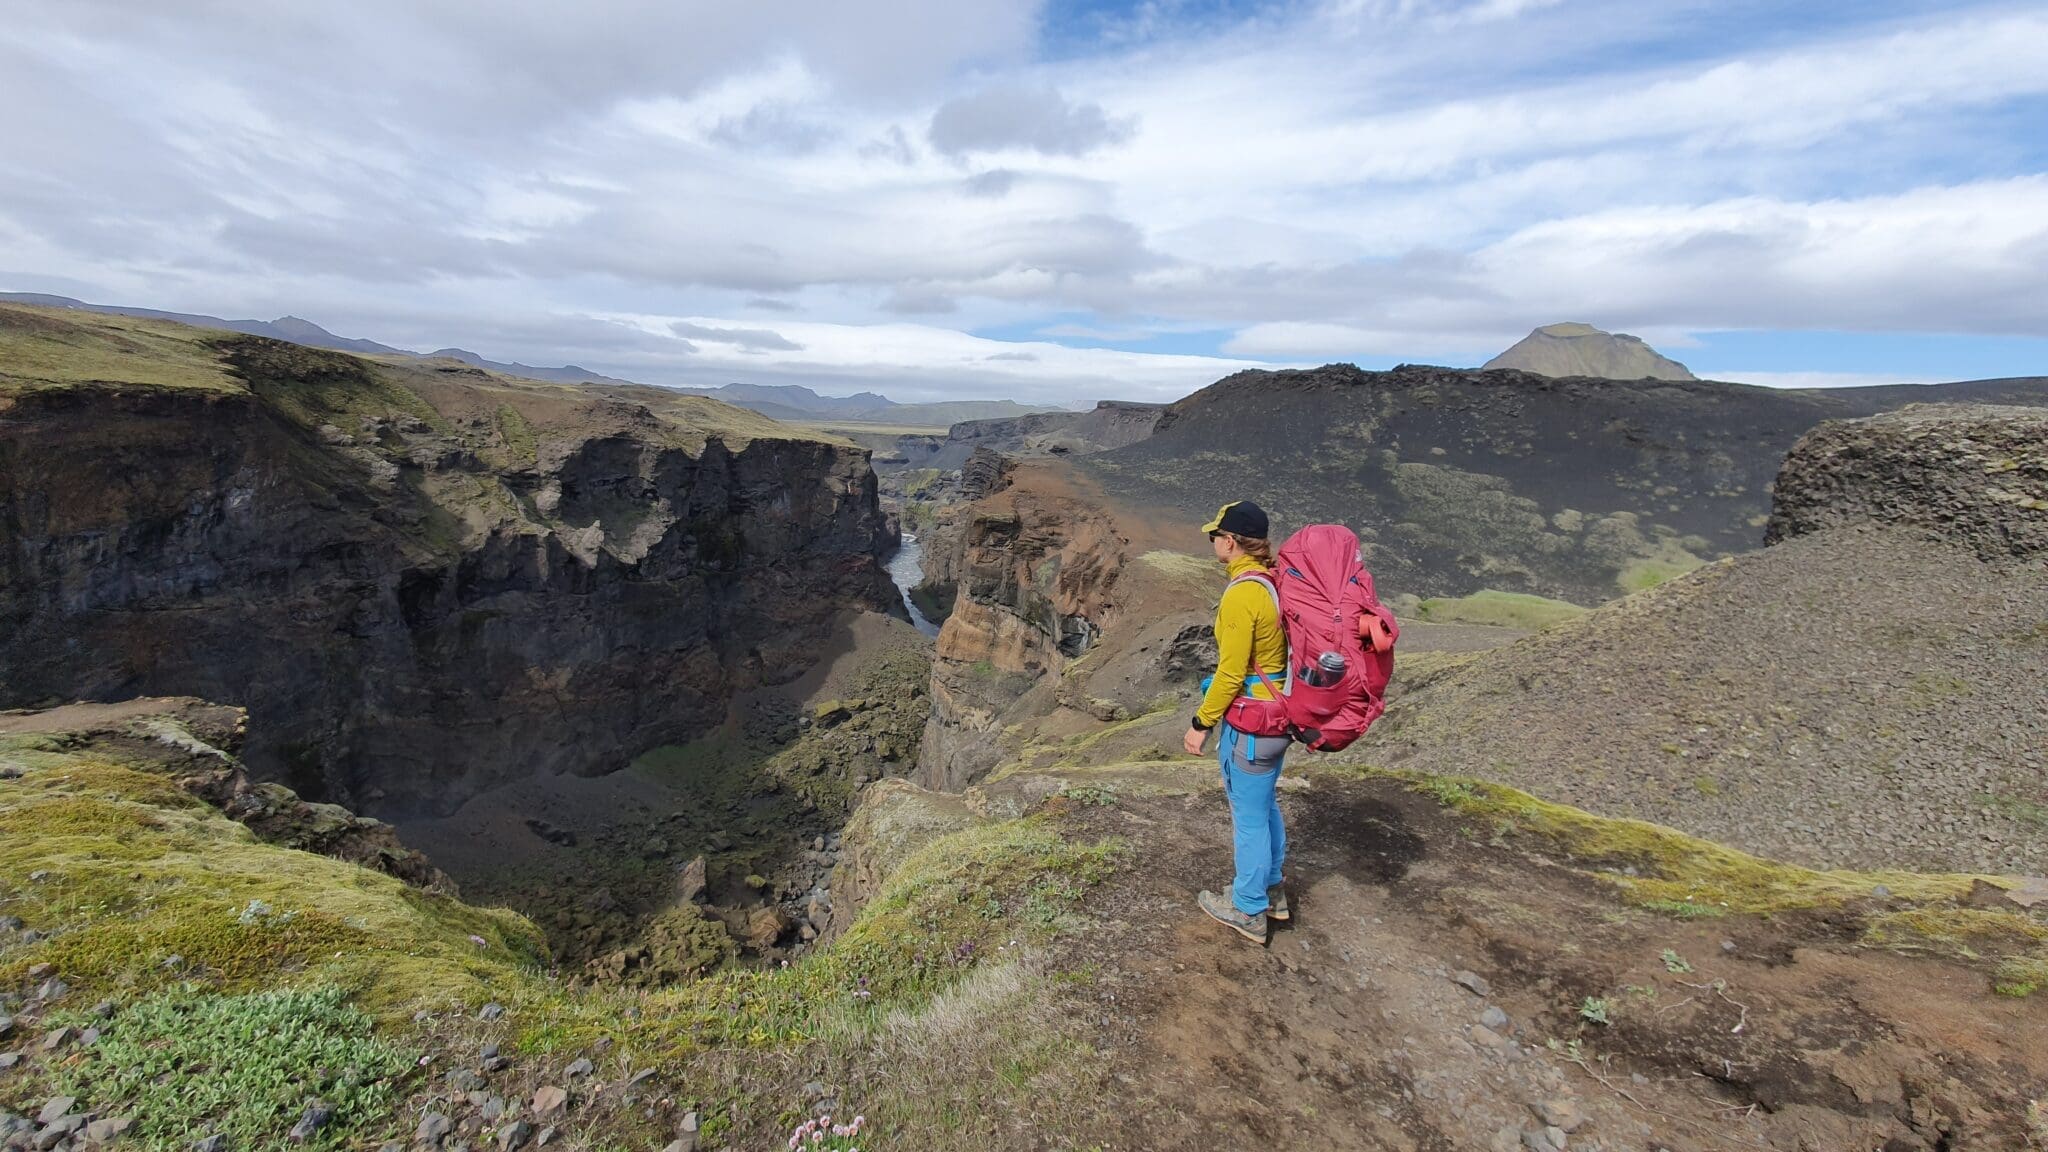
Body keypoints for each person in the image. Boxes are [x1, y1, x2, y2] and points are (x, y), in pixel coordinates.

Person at [1182, 499, 1289, 945]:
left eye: (1216, 535)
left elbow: (1230, 672)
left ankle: (1248, 909)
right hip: (1277, 718)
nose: (1212, 542)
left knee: (1248, 819)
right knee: (1263, 807)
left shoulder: (1242, 594)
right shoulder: (1270, 582)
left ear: (1230, 542)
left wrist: (1201, 723)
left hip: (1252, 725)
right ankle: (1272, 891)